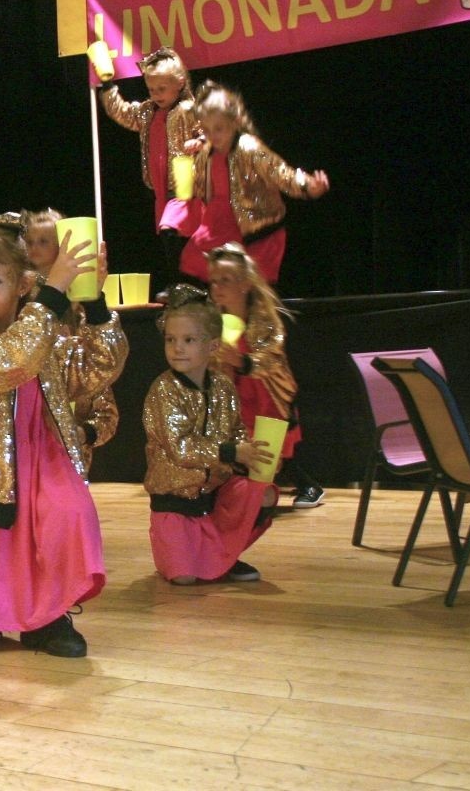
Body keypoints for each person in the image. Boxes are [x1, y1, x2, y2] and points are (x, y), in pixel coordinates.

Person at [0, 206, 127, 658]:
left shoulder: (45, 334)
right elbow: (10, 360)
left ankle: (49, 614)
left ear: (22, 285)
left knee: (68, 515)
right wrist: (54, 294)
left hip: (44, 459)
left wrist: (95, 303)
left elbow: (99, 368)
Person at [143, 284, 278, 585]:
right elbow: (180, 448)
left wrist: (252, 453)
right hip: (175, 501)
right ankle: (204, 555)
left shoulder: (223, 386)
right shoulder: (164, 390)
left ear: (213, 346)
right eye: (170, 339)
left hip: (216, 495)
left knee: (265, 493)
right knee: (185, 578)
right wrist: (231, 452)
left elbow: (236, 430)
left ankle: (225, 554)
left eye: (188, 340)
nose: (177, 348)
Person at [207, 243, 322, 508]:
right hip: (234, 399)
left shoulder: (264, 320)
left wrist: (243, 361)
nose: (217, 287)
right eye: (213, 281)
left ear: (245, 284)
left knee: (266, 457)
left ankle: (306, 485)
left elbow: (273, 359)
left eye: (225, 280)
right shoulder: (212, 321)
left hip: (266, 397)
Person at [181, 81, 330, 285]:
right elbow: (198, 186)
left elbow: (280, 172)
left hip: (254, 227)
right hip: (218, 225)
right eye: (206, 130)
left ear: (234, 122)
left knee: (250, 286)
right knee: (196, 260)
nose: (212, 136)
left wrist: (307, 186)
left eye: (218, 129)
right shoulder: (206, 154)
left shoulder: (248, 148)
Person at [24, 208, 121, 458]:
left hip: (75, 389)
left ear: (63, 247)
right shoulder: (21, 294)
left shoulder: (79, 298)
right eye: (30, 241)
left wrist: (86, 432)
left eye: (43, 241)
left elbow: (100, 362)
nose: (34, 248)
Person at [98, 48, 204, 274]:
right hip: (160, 188)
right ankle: (181, 280)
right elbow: (122, 113)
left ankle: (185, 278)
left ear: (179, 83)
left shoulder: (188, 110)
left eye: (162, 89)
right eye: (151, 89)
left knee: (171, 231)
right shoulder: (147, 111)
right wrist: (107, 86)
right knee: (172, 242)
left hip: (185, 185)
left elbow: (209, 130)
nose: (156, 94)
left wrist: (200, 141)